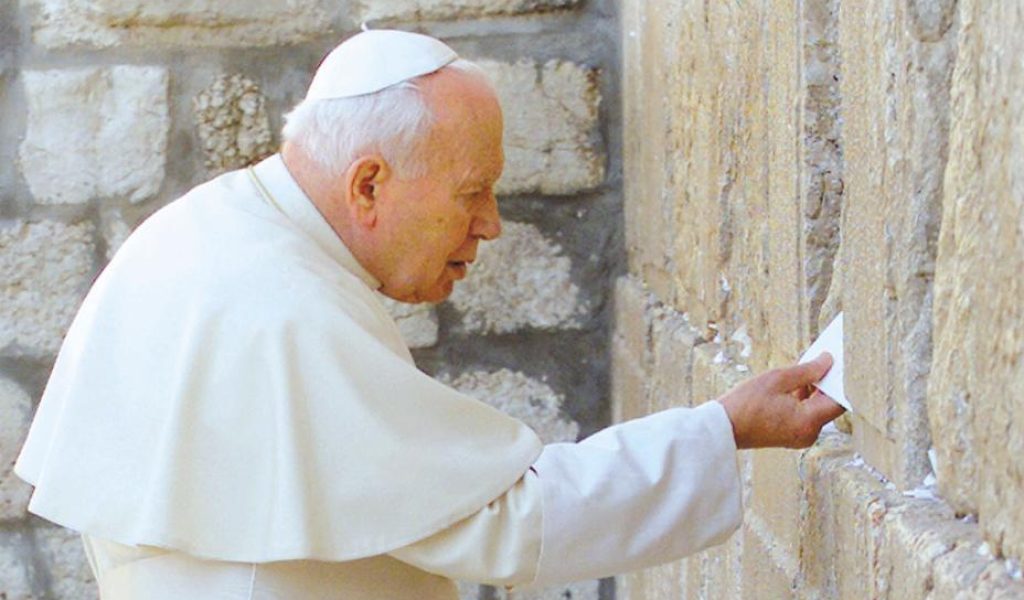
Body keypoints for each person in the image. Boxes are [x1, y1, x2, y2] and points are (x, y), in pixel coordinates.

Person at [14, 30, 844, 599]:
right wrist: (723, 430)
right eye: (472, 193)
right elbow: (503, 520)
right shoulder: (284, 308)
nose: (490, 224)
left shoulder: (220, 230)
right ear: (369, 184)